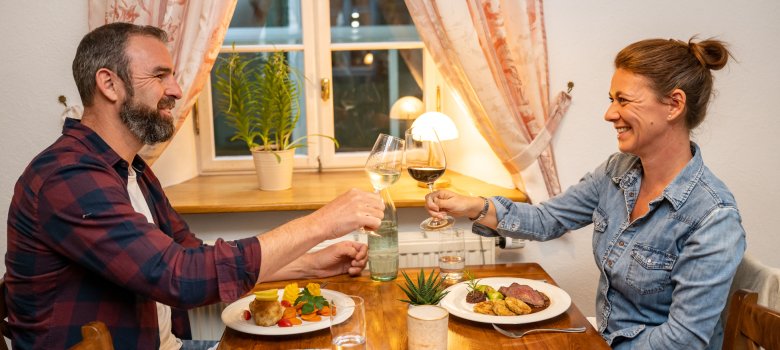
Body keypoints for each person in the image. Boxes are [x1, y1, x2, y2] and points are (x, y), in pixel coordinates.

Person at [4, 23, 384, 349]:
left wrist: (309, 266)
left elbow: (194, 255)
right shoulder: (67, 177)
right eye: (160, 75)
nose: (177, 89)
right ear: (109, 83)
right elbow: (183, 276)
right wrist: (322, 222)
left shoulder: (130, 169)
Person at [425, 37, 745, 349]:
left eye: (624, 100)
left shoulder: (714, 218)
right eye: (611, 100)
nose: (609, 114)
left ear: (674, 104)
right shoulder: (616, 172)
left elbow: (683, 341)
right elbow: (546, 219)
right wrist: (472, 206)